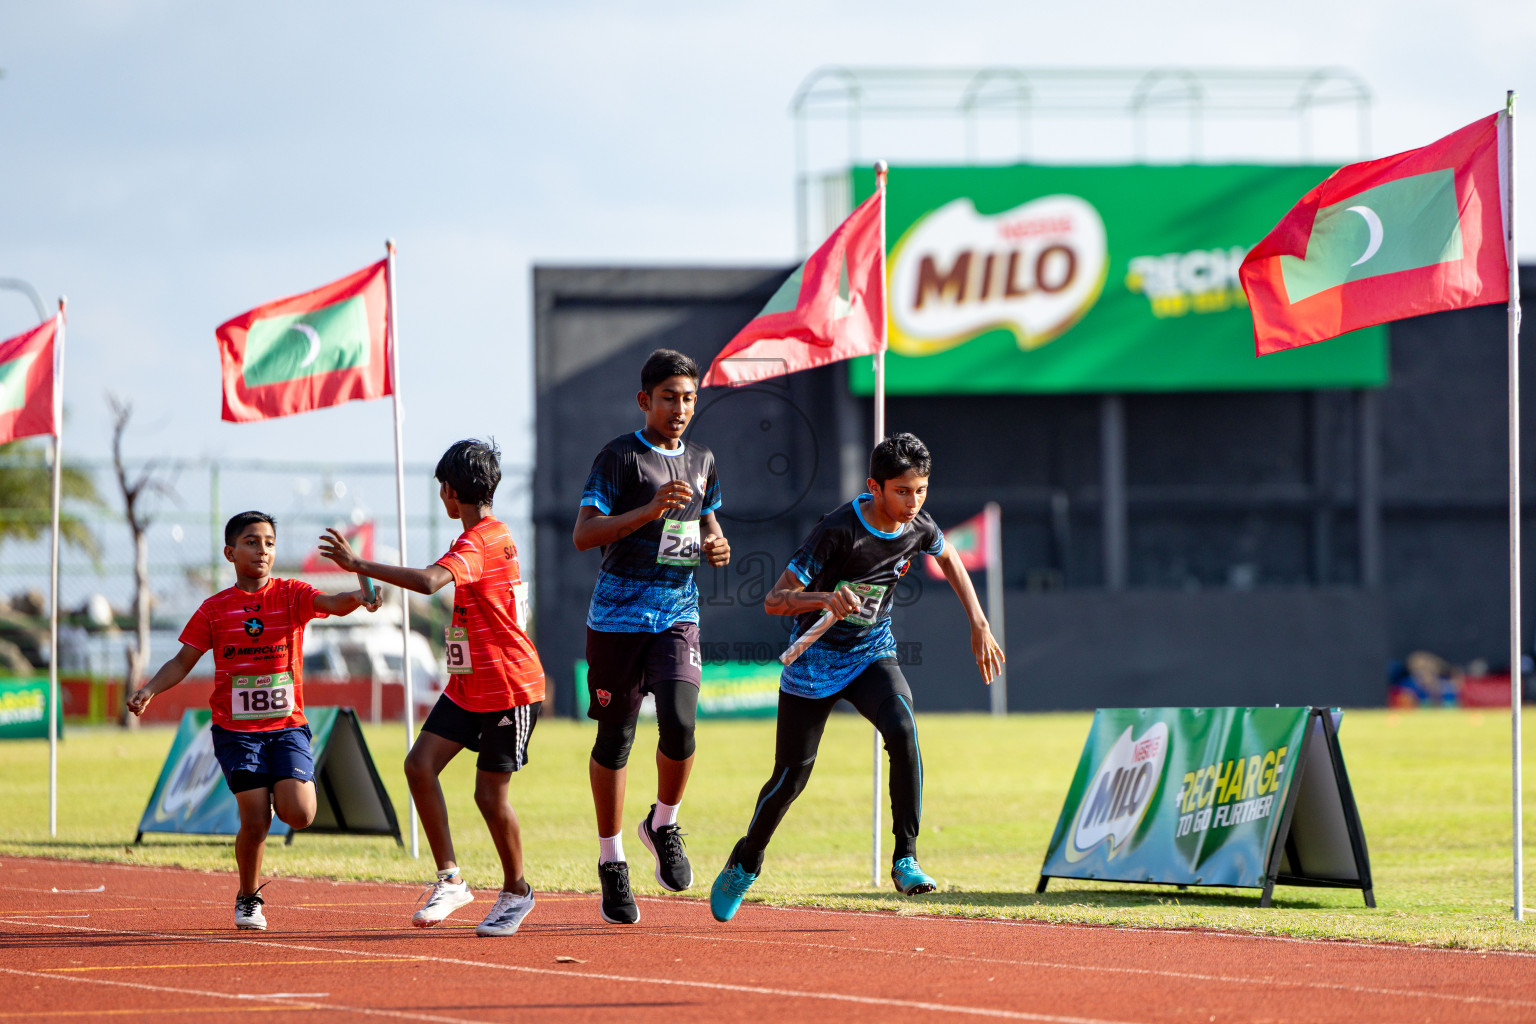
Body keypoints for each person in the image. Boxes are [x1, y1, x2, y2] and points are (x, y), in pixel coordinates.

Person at [708, 432, 1004, 923]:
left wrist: (978, 621)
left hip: (871, 653)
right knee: (790, 780)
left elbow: (948, 556)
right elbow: (774, 600)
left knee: (903, 728)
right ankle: (745, 862)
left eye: (922, 490)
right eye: (903, 491)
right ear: (875, 487)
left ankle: (905, 857)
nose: (914, 502)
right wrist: (825, 600)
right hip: (812, 663)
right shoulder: (838, 530)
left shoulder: (917, 526)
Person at [319, 439, 546, 938]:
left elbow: (427, 582)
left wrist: (360, 566)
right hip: (470, 685)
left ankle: (517, 891)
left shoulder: (480, 541)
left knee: (489, 794)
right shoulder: (487, 535)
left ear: (449, 490)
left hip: (508, 687)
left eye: (440, 489)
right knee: (419, 765)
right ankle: (452, 880)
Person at [126, 511, 380, 931]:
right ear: (230, 552)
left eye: (269, 543)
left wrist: (360, 593)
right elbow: (183, 660)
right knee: (257, 820)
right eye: (251, 542)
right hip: (236, 732)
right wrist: (150, 688)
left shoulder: (291, 594)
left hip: (287, 728)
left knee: (299, 814)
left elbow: (332, 603)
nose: (262, 550)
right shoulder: (213, 609)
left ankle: (283, 791)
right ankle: (248, 897)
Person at [573, 348, 731, 924]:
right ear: (645, 401)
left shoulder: (704, 459)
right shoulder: (619, 458)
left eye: (689, 398)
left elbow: (710, 524)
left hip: (676, 614)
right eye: (669, 397)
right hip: (616, 619)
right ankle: (612, 860)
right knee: (615, 742)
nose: (681, 408)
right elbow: (584, 535)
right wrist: (646, 512)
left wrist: (717, 545)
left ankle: (663, 821)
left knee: (682, 723)